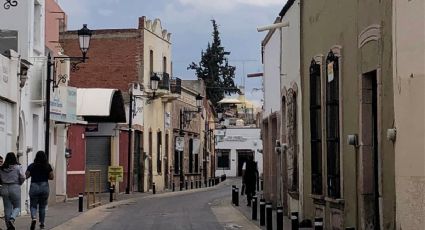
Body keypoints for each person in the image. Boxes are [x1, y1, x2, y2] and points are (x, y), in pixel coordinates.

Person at [26, 151, 54, 230]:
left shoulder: (32, 166)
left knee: (33, 205)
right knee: (42, 206)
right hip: (44, 186)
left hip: (34, 186)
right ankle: (42, 224)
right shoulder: (47, 166)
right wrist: (45, 176)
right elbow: (52, 177)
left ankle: (34, 218)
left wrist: (33, 174)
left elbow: (26, 175)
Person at [0, 152, 25, 230]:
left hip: (4, 188)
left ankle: (9, 227)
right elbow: (23, 177)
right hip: (15, 187)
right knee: (17, 207)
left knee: (7, 209)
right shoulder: (18, 167)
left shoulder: (1, 168)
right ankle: (12, 219)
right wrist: (19, 183)